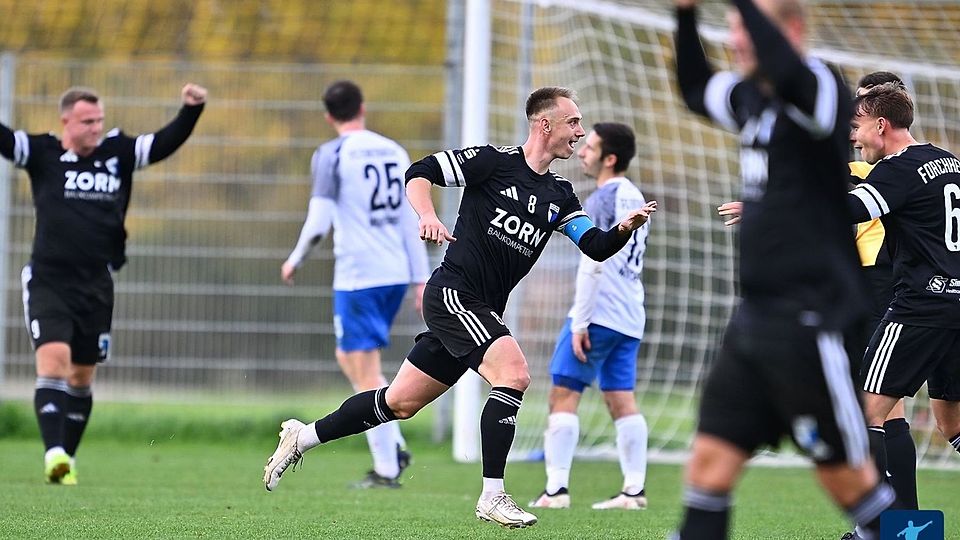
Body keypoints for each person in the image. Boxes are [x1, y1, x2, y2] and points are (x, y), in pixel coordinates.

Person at [263, 86, 658, 528]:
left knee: (399, 403)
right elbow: (420, 170)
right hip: (454, 294)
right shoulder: (493, 162)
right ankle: (493, 495)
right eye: (573, 123)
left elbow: (596, 246)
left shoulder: (560, 195)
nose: (580, 132)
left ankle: (303, 436)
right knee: (514, 374)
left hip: (480, 308)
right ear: (544, 125)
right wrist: (427, 216)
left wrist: (624, 227)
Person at [673, 0, 898, 538]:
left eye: (748, 26)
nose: (737, 38)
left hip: (810, 319)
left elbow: (789, 69)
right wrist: (684, 16)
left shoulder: (821, 87)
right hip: (753, 321)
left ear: (791, 30)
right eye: (732, 27)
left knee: (850, 481)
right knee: (708, 466)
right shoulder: (753, 98)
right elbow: (695, 86)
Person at [717, 73, 920, 519]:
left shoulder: (877, 167)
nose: (850, 125)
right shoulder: (906, 164)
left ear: (881, 118)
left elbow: (821, 200)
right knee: (899, 410)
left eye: (859, 113)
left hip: (874, 283)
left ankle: (892, 521)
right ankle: (900, 520)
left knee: (873, 407)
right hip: (893, 285)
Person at [0, 83, 207, 484]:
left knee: (81, 377)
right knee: (53, 361)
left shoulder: (118, 153)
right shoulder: (43, 153)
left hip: (97, 284)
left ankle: (65, 462)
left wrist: (190, 112)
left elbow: (162, 143)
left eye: (99, 120)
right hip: (49, 281)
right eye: (87, 121)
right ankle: (54, 453)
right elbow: (5, 139)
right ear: (66, 121)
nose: (96, 128)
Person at [280, 80, 429, 488]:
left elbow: (319, 222)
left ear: (329, 115)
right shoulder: (394, 151)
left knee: (363, 371)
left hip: (359, 276)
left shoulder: (331, 154)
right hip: (395, 272)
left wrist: (295, 258)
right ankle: (393, 445)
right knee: (354, 361)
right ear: (362, 107)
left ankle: (388, 463)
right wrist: (420, 279)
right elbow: (408, 218)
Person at [528, 122, 651, 511]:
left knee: (562, 396)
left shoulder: (605, 196)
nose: (582, 150)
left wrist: (580, 321)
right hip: (629, 314)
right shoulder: (633, 195)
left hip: (598, 312)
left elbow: (593, 264)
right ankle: (634, 492)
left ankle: (556, 491)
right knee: (621, 401)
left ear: (609, 159)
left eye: (591, 147)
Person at [847, 82, 960, 505]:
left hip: (919, 308)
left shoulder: (898, 168)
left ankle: (888, 529)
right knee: (953, 425)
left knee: (865, 414)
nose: (853, 137)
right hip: (956, 307)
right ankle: (905, 528)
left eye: (856, 127)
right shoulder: (950, 163)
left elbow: (852, 210)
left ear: (881, 124)